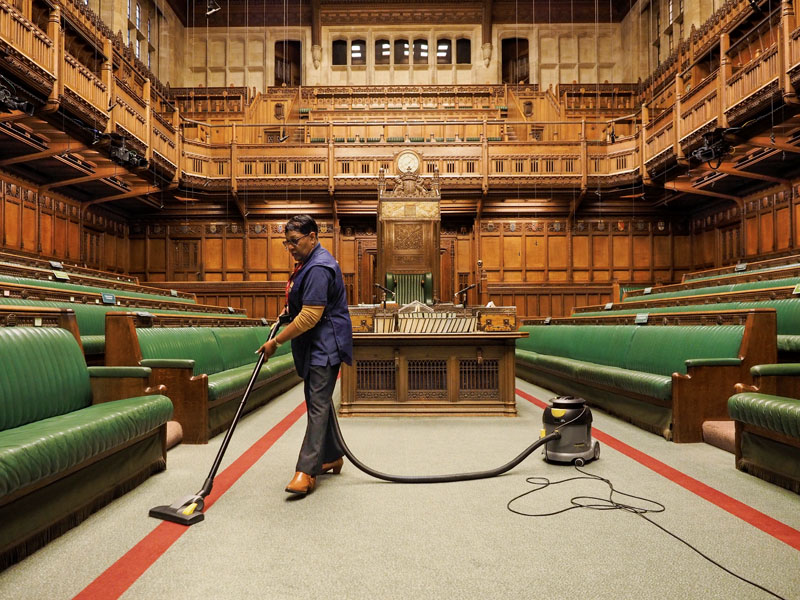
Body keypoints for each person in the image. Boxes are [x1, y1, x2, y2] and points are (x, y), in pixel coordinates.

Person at [259, 215, 353, 496]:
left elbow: (311, 316)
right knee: (318, 401)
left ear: (312, 237)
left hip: (325, 345)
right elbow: (301, 305)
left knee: (317, 405)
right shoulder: (307, 263)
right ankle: (332, 455)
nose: (290, 247)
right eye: (286, 242)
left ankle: (307, 470)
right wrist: (287, 313)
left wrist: (276, 341)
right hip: (315, 345)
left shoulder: (318, 268)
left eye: (295, 241)